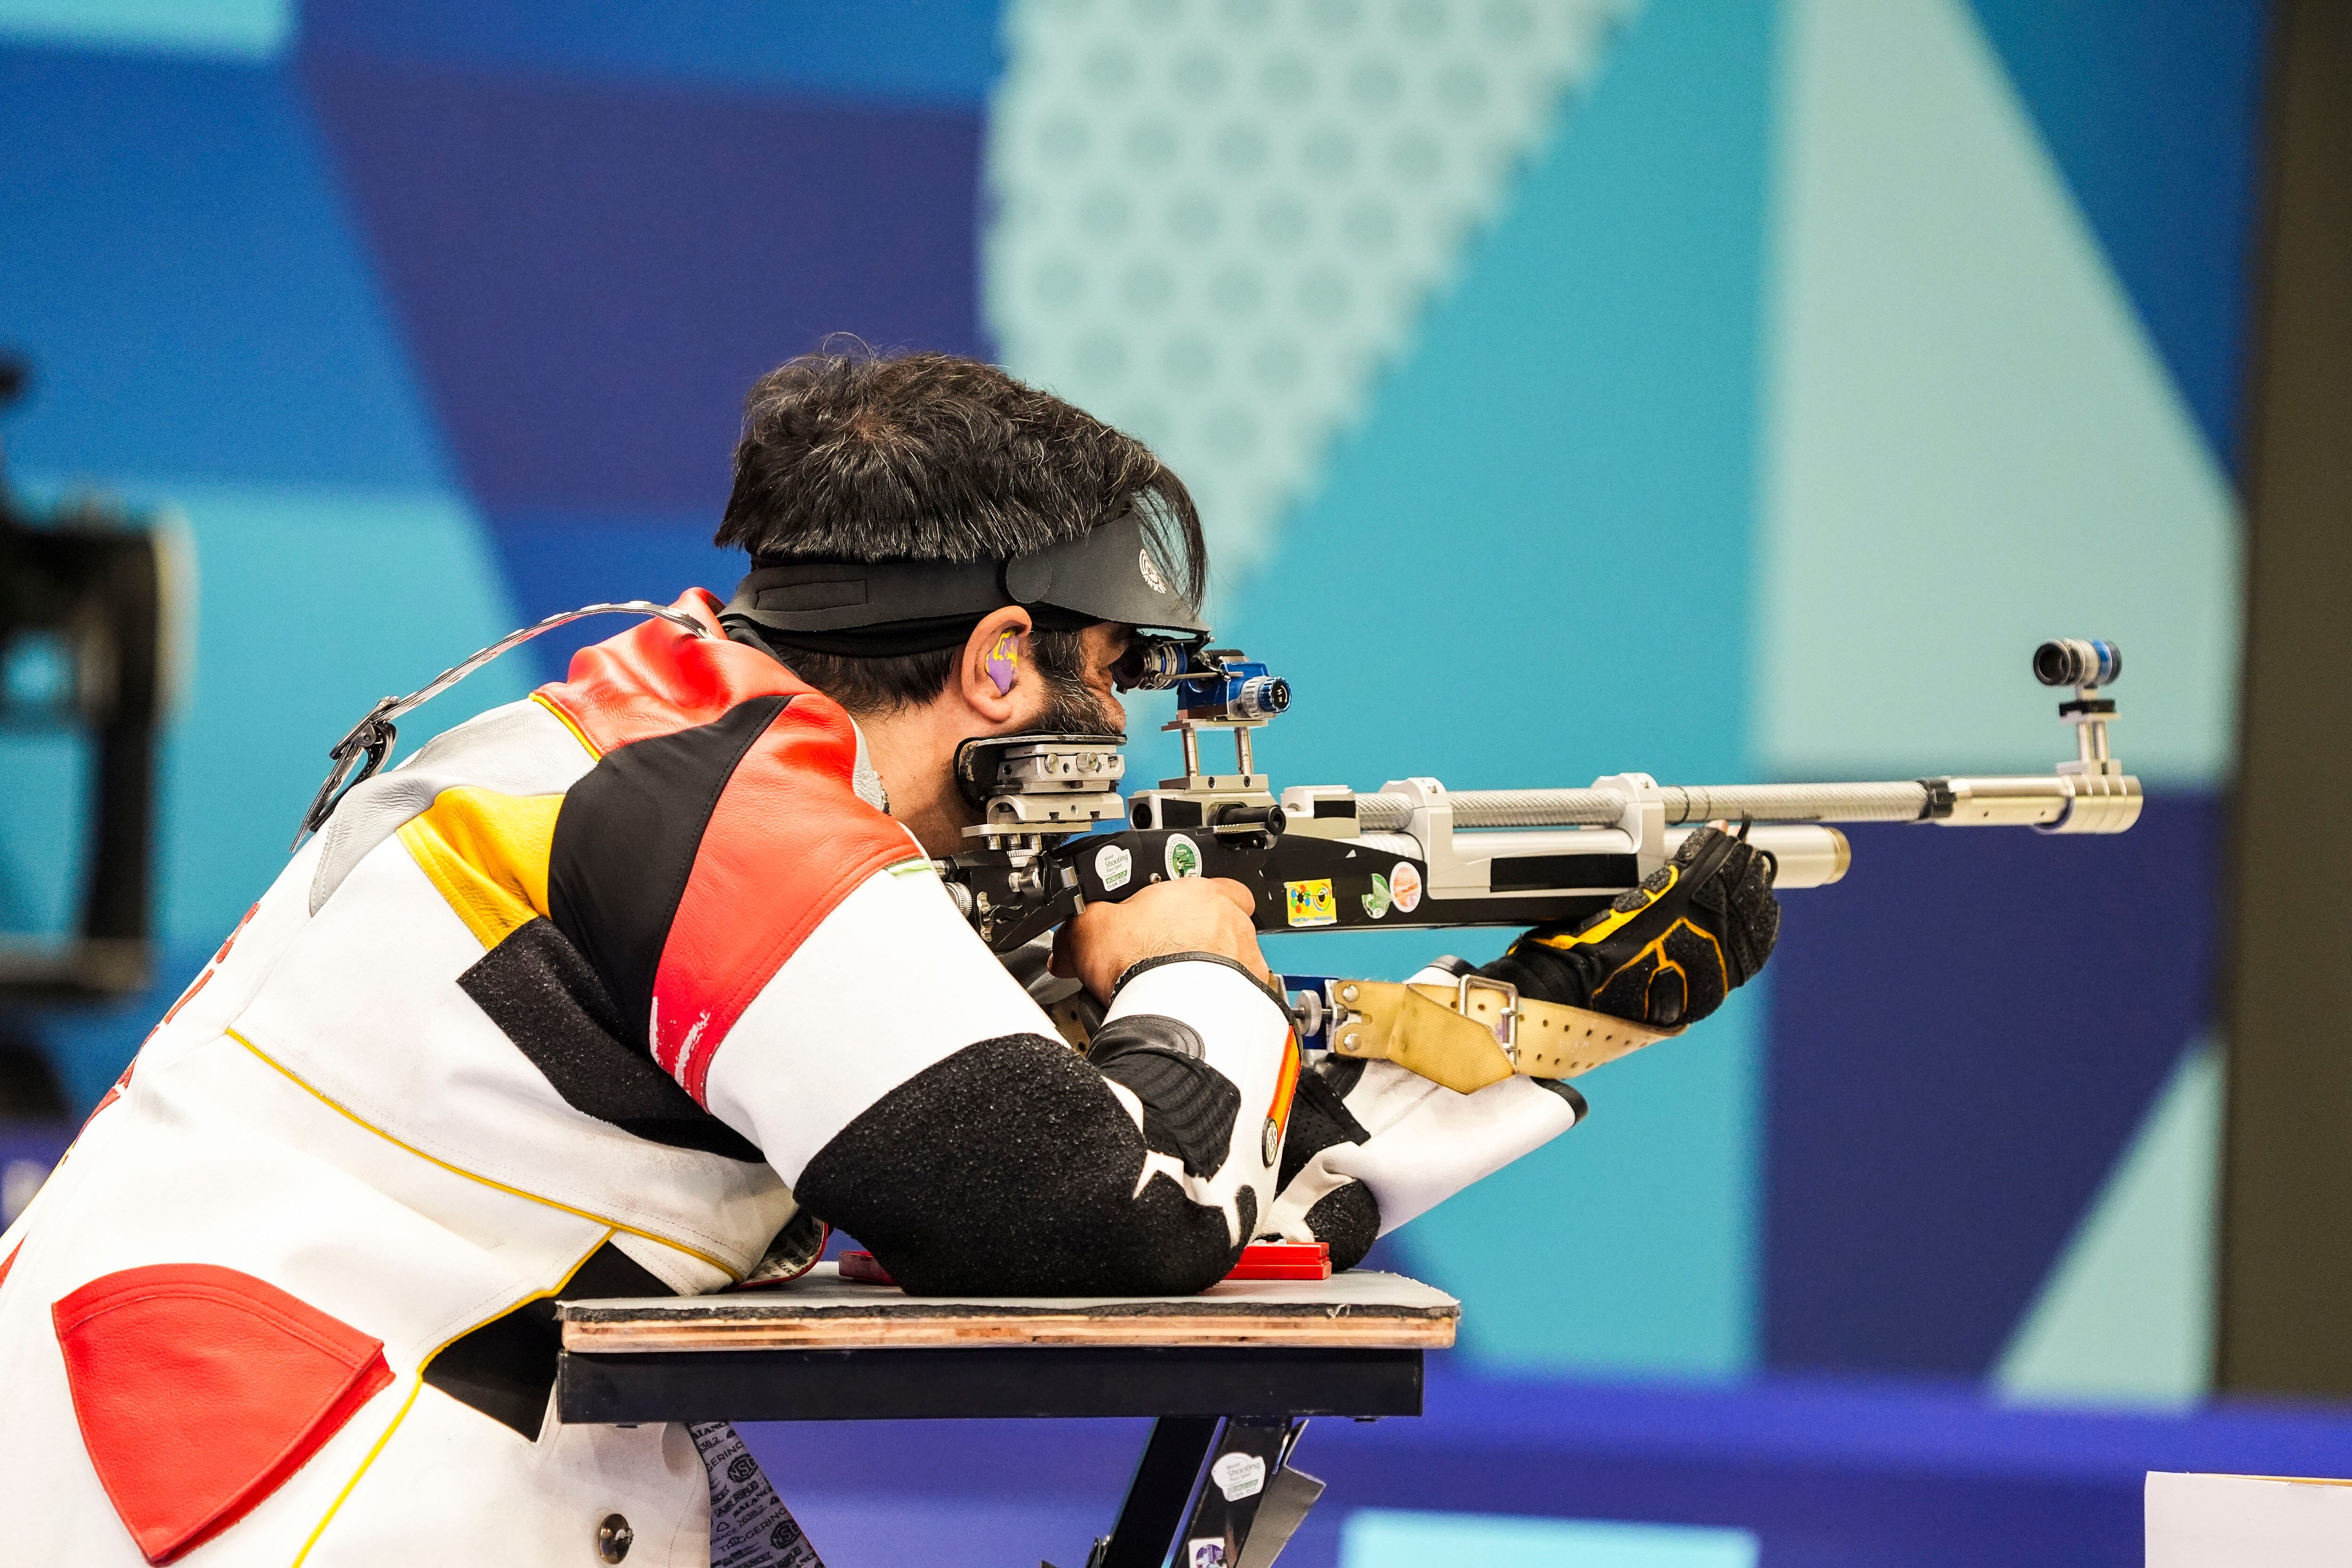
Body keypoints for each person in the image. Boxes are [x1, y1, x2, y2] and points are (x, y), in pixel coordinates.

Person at [0, 350, 1778, 1566]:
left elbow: (1125, 1190)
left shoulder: (659, 734)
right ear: (1000, 662)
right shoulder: (738, 818)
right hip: (283, 1477)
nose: (1115, 729)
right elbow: (1104, 1220)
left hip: (254, 1434)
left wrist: (1515, 1040)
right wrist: (1193, 961)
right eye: (1105, 673)